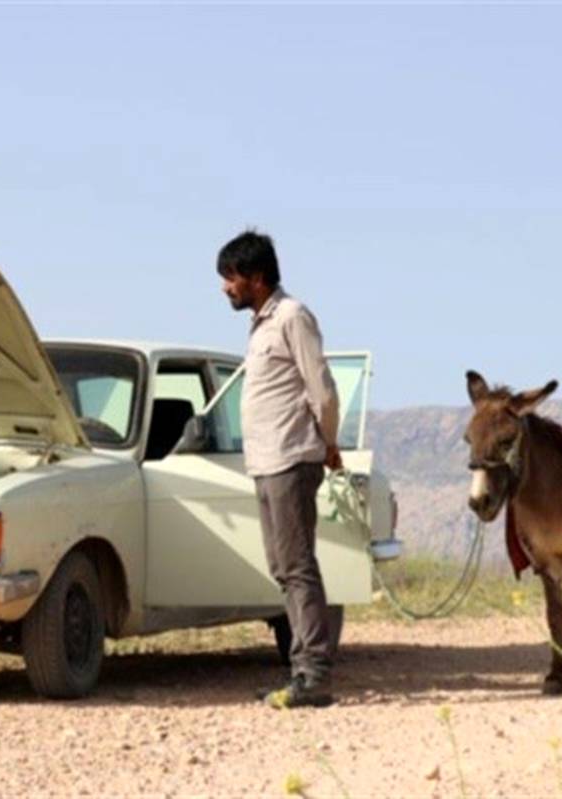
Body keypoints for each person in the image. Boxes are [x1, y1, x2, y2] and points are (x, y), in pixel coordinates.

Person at [217, 230, 342, 709]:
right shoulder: (261, 324)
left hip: (292, 457)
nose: (226, 287)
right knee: (284, 567)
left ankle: (314, 674)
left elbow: (321, 388)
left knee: (297, 566)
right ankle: (303, 672)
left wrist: (328, 443)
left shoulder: (292, 316)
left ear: (257, 277)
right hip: (267, 461)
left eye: (231, 277)